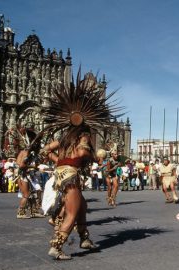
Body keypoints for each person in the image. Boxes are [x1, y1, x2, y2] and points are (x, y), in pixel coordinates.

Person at [40, 69, 119, 260]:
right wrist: (93, 157)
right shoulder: (82, 136)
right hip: (70, 178)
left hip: (60, 175)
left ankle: (84, 239)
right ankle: (57, 247)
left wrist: (59, 161)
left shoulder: (65, 138)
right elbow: (83, 152)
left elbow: (45, 150)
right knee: (73, 213)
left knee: (82, 206)